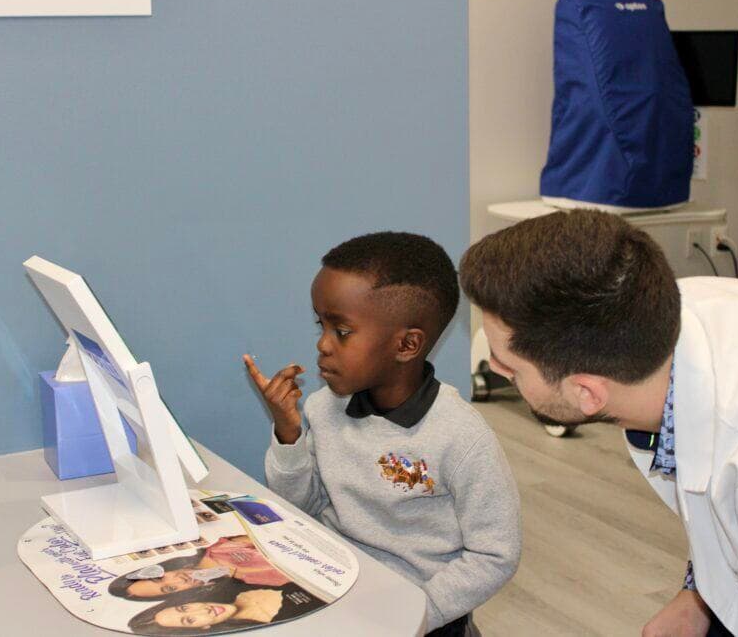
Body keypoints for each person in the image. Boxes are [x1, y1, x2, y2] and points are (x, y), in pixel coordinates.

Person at [458, 209, 738, 636]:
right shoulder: (663, 311)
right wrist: (698, 595)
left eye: (510, 366)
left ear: (587, 393)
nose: (494, 369)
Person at [244, 232, 521, 636]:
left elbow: (495, 554)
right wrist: (289, 435)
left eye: (341, 330)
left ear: (407, 345)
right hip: (337, 590)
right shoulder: (324, 408)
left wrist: (415, 613)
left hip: (422, 616)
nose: (321, 345)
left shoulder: (461, 436)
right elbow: (300, 508)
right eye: (320, 325)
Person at [109, 536, 290, 601]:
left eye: (159, 577)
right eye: (170, 588)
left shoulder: (217, 548)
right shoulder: (244, 594)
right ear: (176, 594)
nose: (178, 580)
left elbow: (275, 537)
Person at [128, 581, 324, 634]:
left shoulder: (238, 583)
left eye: (185, 608)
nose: (203, 610)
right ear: (202, 630)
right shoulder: (279, 626)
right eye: (190, 620)